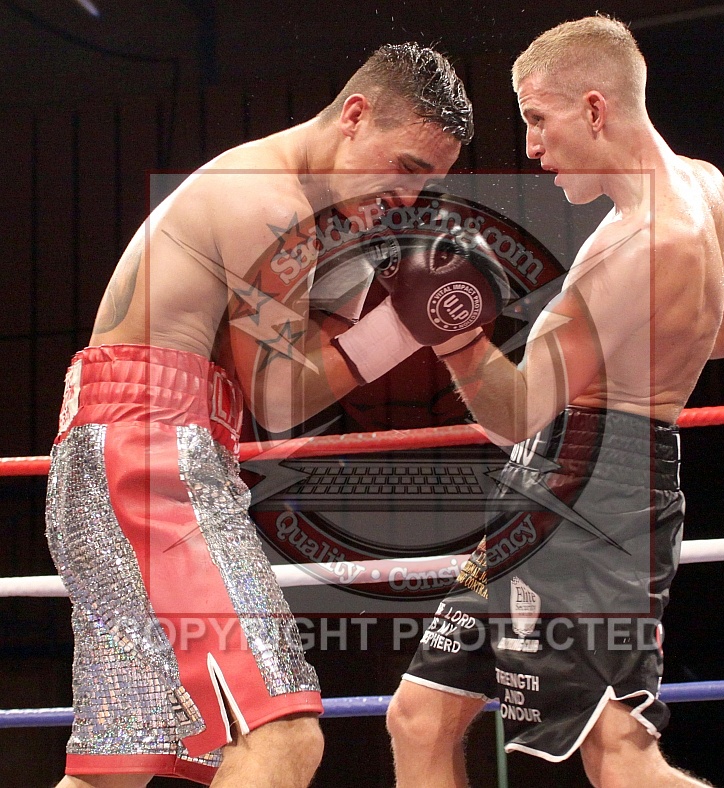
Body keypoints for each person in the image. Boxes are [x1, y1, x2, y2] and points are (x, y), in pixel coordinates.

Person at [45, 42, 497, 788]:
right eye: (406, 167)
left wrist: (367, 283)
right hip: (151, 460)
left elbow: (303, 370)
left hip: (119, 454)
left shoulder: (314, 216)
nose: (409, 196)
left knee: (116, 769)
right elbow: (280, 398)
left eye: (427, 183)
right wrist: (401, 326)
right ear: (354, 115)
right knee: (282, 736)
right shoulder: (269, 203)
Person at [386, 16, 724, 788]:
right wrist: (642, 368)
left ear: (595, 109)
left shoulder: (637, 248)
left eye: (538, 118)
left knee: (618, 752)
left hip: (582, 493)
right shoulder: (704, 185)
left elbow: (514, 414)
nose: (532, 146)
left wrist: (452, 336)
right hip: (560, 487)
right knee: (419, 718)